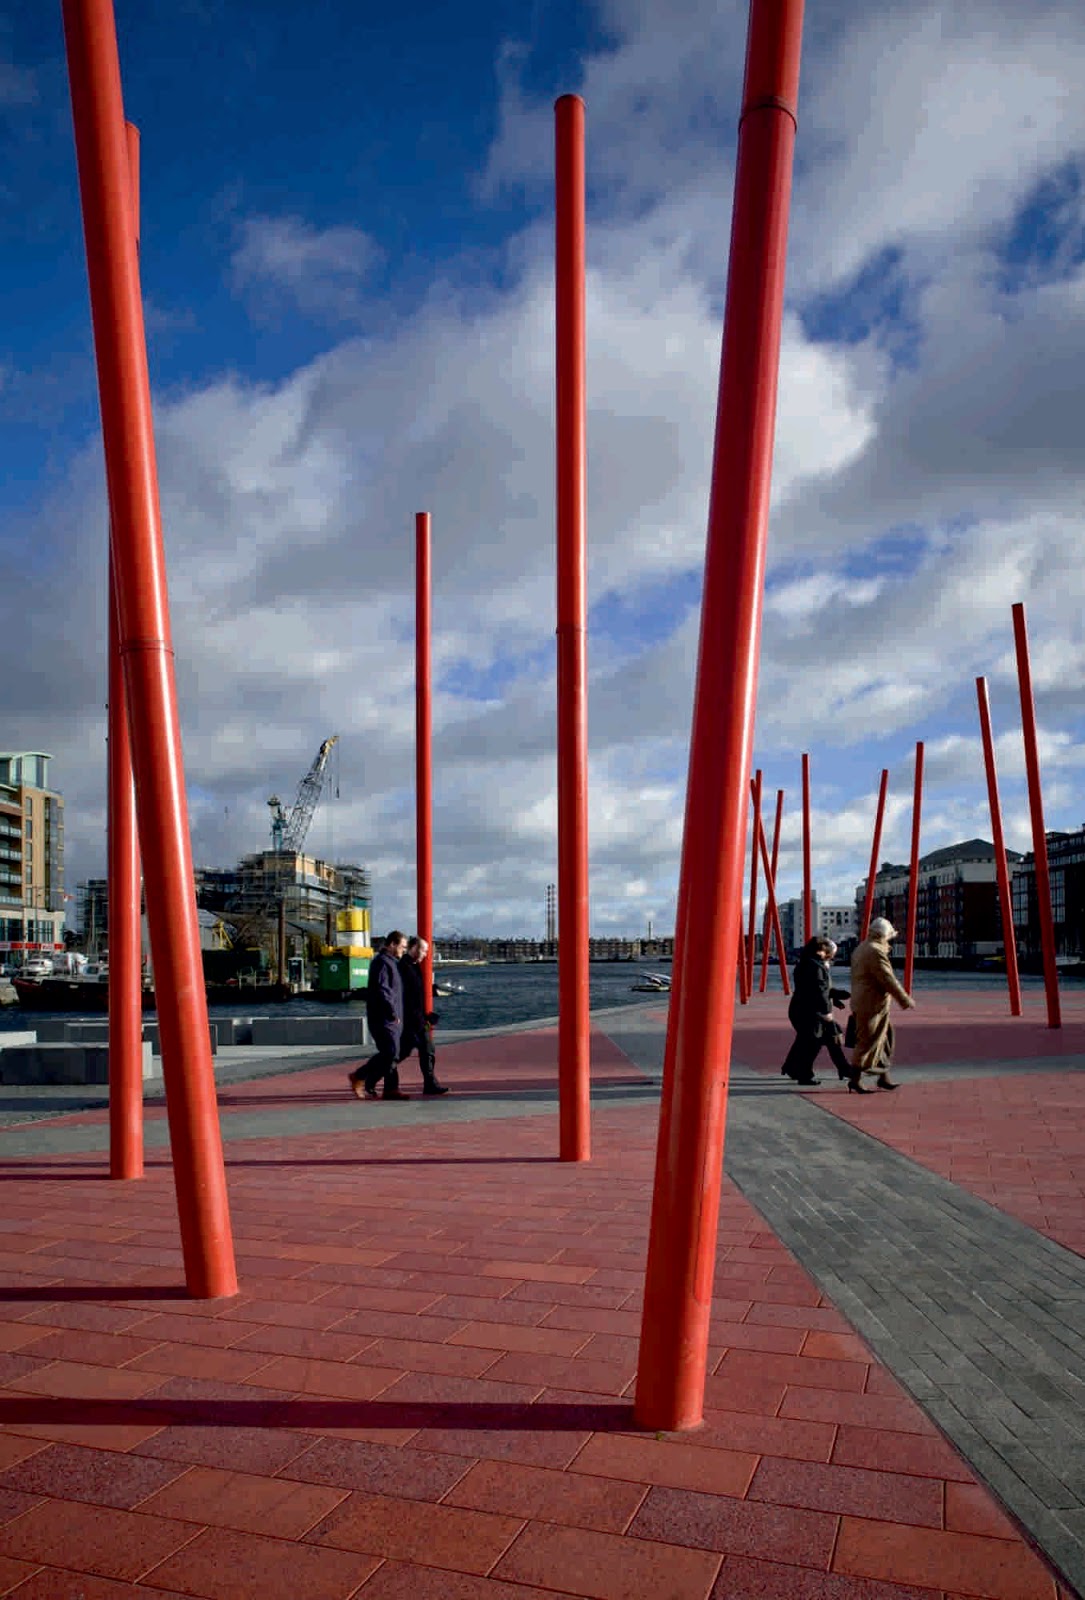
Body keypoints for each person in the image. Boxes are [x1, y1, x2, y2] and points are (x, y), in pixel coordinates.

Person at [780, 936, 863, 1090]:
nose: (831, 956)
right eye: (830, 952)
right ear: (822, 950)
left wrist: (836, 996)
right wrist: (826, 1012)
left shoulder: (809, 963)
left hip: (802, 1009)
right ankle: (805, 1074)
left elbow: (819, 989)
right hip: (811, 1011)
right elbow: (818, 991)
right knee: (813, 1042)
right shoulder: (816, 966)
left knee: (822, 1038)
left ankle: (842, 1069)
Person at [849, 916, 916, 1089]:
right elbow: (887, 978)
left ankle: (883, 1077)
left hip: (863, 1000)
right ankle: (855, 1079)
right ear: (883, 935)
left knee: (884, 1038)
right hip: (871, 1003)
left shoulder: (862, 948)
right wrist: (904, 999)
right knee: (868, 1040)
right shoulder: (875, 951)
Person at [349, 930, 410, 1100]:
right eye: (402, 947)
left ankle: (391, 1088)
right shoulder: (382, 963)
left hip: (391, 1017)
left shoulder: (391, 962)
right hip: (384, 1017)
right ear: (392, 944)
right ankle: (359, 1076)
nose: (403, 950)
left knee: (392, 1052)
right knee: (391, 1052)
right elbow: (384, 990)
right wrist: (391, 1012)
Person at [398, 936, 449, 1096]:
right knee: (401, 1053)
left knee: (427, 1050)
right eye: (424, 950)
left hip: (418, 1018)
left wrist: (426, 1015)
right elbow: (406, 998)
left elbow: (417, 995)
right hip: (409, 1020)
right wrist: (419, 1019)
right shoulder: (403, 967)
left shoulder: (415, 966)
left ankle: (430, 1083)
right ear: (413, 948)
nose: (426, 954)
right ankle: (368, 1076)